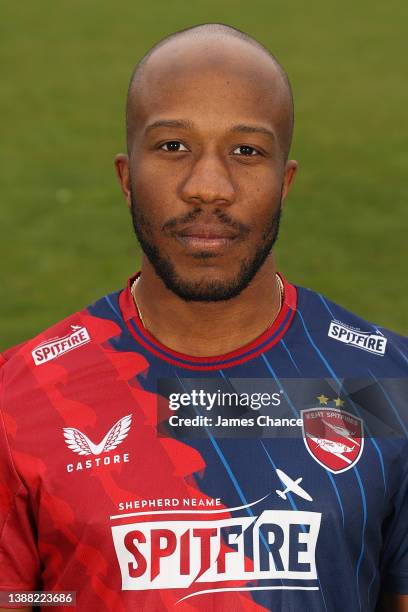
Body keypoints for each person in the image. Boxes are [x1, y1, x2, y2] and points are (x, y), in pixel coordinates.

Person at [0, 22, 407, 612]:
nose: (208, 187)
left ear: (285, 182)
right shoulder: (19, 400)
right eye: (172, 147)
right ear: (126, 177)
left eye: (247, 151)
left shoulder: (387, 387)